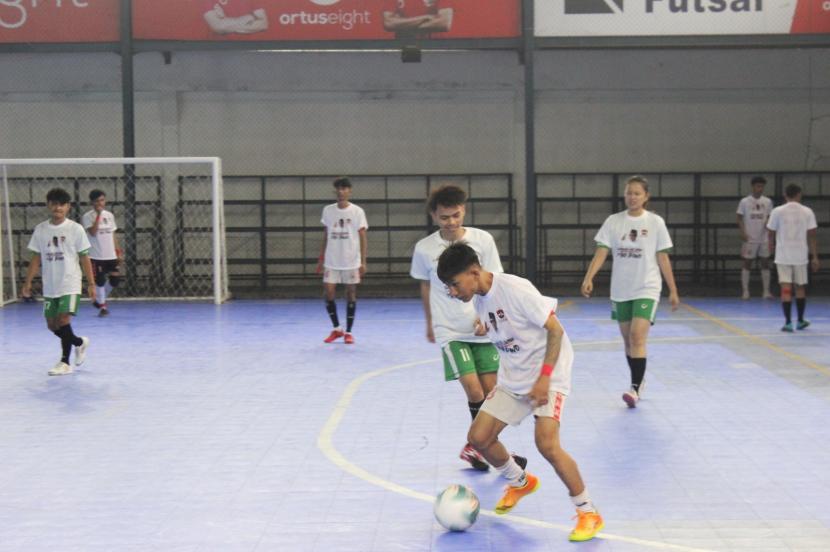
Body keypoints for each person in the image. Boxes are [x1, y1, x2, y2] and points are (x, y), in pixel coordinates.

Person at [436, 243, 603, 543]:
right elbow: (507, 325)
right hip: (515, 375)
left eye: (454, 284)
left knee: (547, 444)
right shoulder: (479, 298)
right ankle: (520, 481)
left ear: (474, 272)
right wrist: (485, 328)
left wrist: (545, 378)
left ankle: (588, 512)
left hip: (548, 373)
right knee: (479, 438)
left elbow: (555, 331)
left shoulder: (515, 289)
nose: (452, 291)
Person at [411, 185, 523, 472]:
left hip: (483, 330)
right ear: (434, 216)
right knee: (474, 391)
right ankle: (483, 449)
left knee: (492, 395)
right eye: (445, 217)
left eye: (456, 215)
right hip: (450, 331)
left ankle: (481, 448)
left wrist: (489, 318)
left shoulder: (483, 241)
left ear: (464, 211)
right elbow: (425, 286)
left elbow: (493, 281)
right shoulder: (424, 249)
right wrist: (429, 322)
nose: (451, 222)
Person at [580, 175, 680, 408]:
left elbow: (663, 258)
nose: (632, 197)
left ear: (646, 197)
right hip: (621, 289)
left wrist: (673, 290)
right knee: (628, 341)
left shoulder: (655, 223)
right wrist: (589, 277)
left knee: (637, 336)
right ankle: (638, 379)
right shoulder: (614, 221)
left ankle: (634, 387)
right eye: (629, 193)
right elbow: (601, 251)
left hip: (647, 287)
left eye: (637, 193)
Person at [21, 187, 95, 376]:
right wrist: (28, 282)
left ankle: (64, 362)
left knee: (63, 319)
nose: (58, 208)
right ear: (48, 205)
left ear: (68, 207)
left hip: (70, 283)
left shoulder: (75, 229)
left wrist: (91, 283)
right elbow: (36, 259)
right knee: (52, 325)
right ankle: (79, 343)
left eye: (62, 204)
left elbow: (85, 258)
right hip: (50, 285)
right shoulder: (41, 230)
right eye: (54, 204)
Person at [317, 178, 368, 345]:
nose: (341, 192)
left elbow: (362, 238)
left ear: (349, 191)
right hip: (332, 260)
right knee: (329, 292)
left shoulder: (357, 212)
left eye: (344, 189)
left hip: (351, 261)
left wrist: (363, 262)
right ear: (335, 191)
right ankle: (337, 328)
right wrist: (321, 258)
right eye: (338, 189)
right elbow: (325, 234)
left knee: (350, 293)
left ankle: (349, 332)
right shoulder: (328, 211)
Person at [766, 183, 819, 332]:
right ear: (799, 194)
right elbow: (812, 236)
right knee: (800, 287)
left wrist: (771, 246)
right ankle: (800, 320)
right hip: (800, 255)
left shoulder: (777, 211)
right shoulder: (807, 211)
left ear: (785, 195)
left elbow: (770, 231)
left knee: (786, 288)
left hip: (783, 255)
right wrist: (814, 257)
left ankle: (788, 322)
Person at [82, 190, 123, 317]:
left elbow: (113, 234)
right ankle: (103, 307)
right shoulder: (87, 216)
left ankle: (97, 299)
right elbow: (93, 232)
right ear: (92, 202)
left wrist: (118, 251)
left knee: (115, 280)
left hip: (110, 254)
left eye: (102, 200)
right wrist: (98, 216)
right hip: (96, 255)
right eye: (97, 201)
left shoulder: (109, 215)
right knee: (99, 280)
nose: (100, 203)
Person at [736, 176, 774, 299]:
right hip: (750, 237)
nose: (760, 188)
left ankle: (766, 291)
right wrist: (743, 232)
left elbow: (770, 217)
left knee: (765, 263)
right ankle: (745, 291)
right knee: (747, 263)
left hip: (763, 238)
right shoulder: (745, 201)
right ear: (753, 187)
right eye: (758, 186)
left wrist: (768, 228)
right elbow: (739, 218)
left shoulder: (767, 202)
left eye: (762, 186)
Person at [382, 0, 453, 38]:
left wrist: (402, 24)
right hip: (404, 45)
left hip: (434, 47)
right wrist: (425, 17)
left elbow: (444, 23)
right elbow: (389, 23)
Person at [202, 0, 268, 35]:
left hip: (251, 47)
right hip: (222, 50)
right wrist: (252, 16)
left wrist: (225, 20)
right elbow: (218, 27)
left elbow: (263, 24)